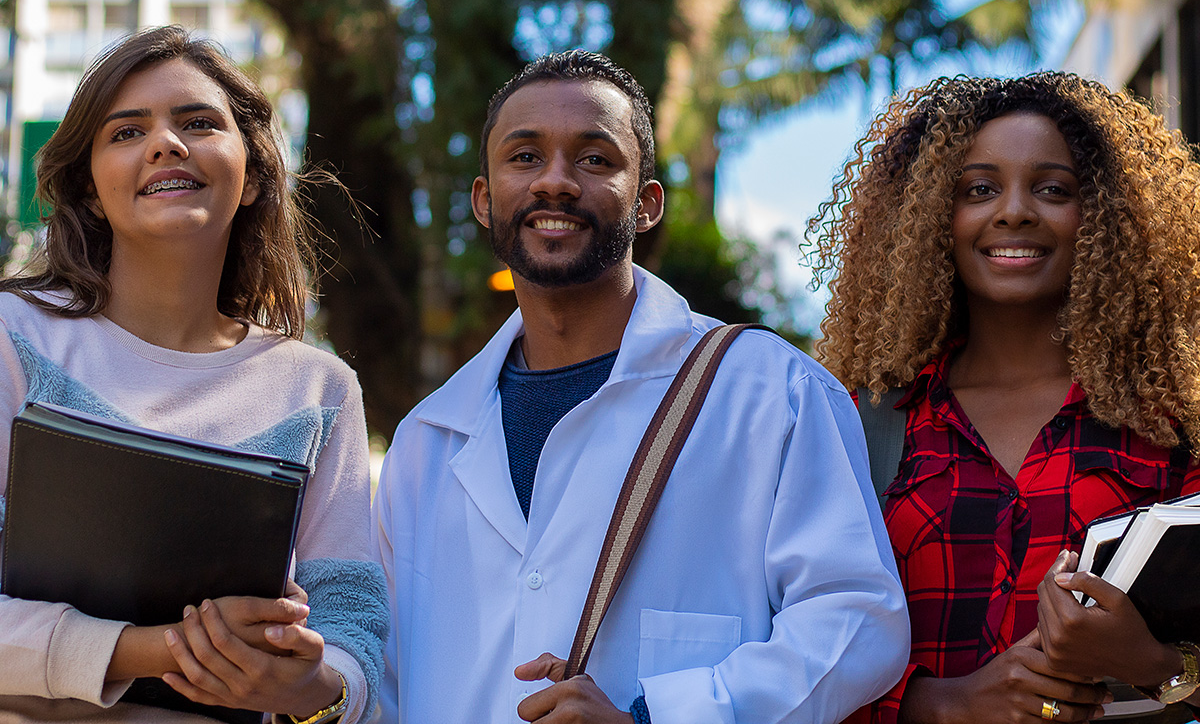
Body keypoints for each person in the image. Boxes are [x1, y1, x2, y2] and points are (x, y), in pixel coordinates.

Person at [372, 50, 909, 724]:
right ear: (485, 200)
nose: (556, 183)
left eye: (595, 159)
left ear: (647, 203)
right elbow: (384, 680)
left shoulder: (772, 393)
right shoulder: (425, 441)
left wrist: (662, 716)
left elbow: (857, 620)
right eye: (525, 157)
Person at [0, 26, 388, 723]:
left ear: (254, 177)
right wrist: (155, 650)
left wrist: (314, 693)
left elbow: (353, 625)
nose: (165, 143)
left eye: (198, 123)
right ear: (89, 190)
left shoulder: (320, 391)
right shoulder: (12, 338)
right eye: (126, 132)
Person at [810, 73, 1200, 724]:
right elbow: (790, 646)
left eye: (1053, 189)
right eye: (979, 189)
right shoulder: (861, 424)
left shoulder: (1173, 425)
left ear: (1106, 217)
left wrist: (1155, 666)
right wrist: (942, 703)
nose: (1014, 211)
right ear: (934, 215)